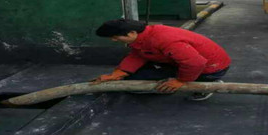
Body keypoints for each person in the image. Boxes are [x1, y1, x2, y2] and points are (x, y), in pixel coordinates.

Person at [92, 19, 231, 101]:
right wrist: (120, 72)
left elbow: (195, 62)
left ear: (132, 33)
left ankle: (206, 82)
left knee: (139, 84)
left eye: (115, 37)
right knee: (133, 77)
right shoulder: (145, 35)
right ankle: (192, 78)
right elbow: (138, 54)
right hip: (189, 63)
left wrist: (180, 81)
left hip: (210, 69)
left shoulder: (164, 39)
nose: (113, 40)